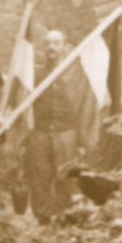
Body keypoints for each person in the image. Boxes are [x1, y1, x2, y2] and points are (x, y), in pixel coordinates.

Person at [24, 28, 87, 223]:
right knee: (39, 176)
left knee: (66, 177)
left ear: (64, 46)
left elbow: (82, 107)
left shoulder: (73, 74)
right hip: (40, 133)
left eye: (56, 43)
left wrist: (81, 141)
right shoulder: (34, 74)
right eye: (48, 43)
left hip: (66, 133)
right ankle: (43, 219)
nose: (51, 47)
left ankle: (65, 217)